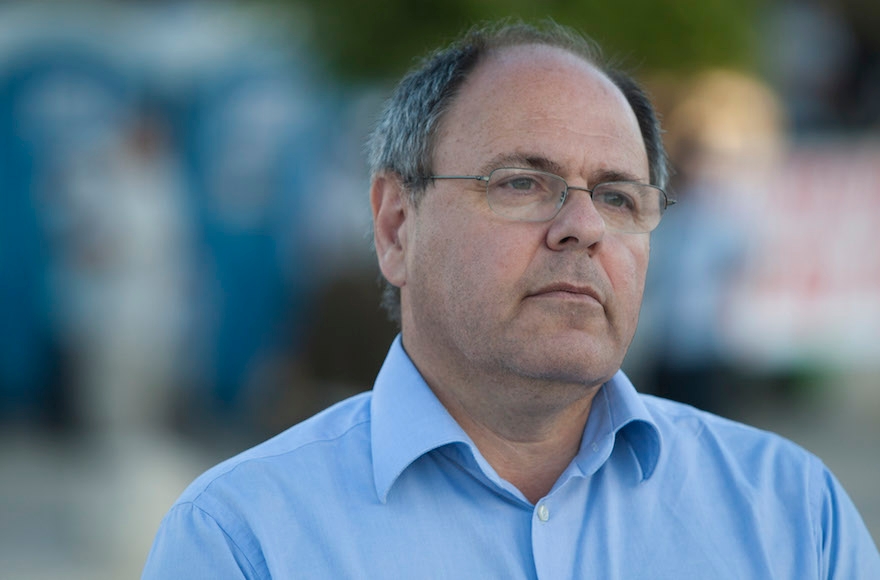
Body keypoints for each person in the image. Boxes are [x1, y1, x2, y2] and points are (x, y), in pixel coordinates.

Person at [143, 21, 880, 578]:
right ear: (397, 226)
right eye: (523, 184)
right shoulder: (243, 539)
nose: (584, 228)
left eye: (620, 197)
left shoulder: (792, 517)